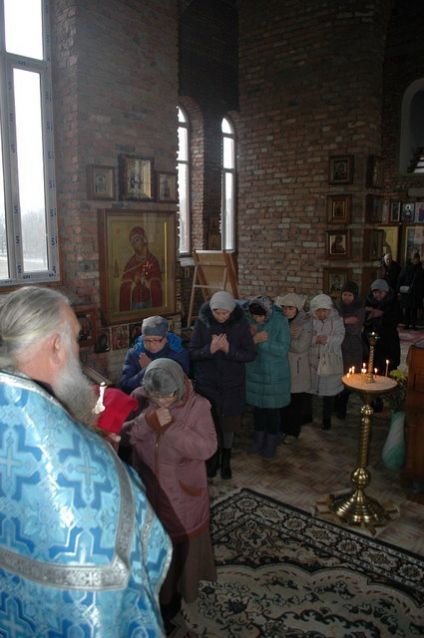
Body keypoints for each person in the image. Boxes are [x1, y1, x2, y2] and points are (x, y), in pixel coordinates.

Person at [0, 286, 171, 637]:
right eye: (77, 338)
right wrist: (101, 457)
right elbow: (143, 548)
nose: (80, 349)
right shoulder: (82, 467)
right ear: (56, 346)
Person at [121, 358, 217, 634]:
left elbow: (207, 447)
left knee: (179, 551)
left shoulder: (198, 406)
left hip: (183, 494)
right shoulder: (139, 398)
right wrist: (147, 422)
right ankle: (157, 597)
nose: (162, 402)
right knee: (151, 547)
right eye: (156, 397)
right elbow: (126, 436)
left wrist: (172, 429)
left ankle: (174, 604)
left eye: (167, 396)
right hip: (148, 489)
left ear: (179, 389)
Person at [189, 290, 256, 479]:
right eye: (217, 312)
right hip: (207, 384)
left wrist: (229, 350)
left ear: (231, 311)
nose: (220, 316)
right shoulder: (203, 323)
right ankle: (212, 460)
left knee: (228, 426)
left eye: (224, 313)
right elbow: (193, 353)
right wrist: (209, 350)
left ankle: (226, 460)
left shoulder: (241, 324)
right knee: (209, 425)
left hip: (232, 383)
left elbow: (250, 355)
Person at [245, 295, 291, 458]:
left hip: (274, 374)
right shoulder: (249, 320)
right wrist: (252, 339)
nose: (257, 319)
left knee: (272, 411)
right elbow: (243, 345)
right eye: (254, 316)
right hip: (255, 371)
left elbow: (283, 348)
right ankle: (258, 441)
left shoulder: (280, 321)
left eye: (260, 316)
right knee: (258, 410)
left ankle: (271, 442)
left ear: (268, 312)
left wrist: (262, 342)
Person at [120, 314, 189, 394]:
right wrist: (145, 371)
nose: (151, 344)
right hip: (141, 400)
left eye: (156, 340)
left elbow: (180, 385)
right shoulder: (135, 354)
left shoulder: (178, 353)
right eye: (147, 340)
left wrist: (152, 367)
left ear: (166, 338)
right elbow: (125, 386)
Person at [276, 292, 313, 439]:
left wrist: (282, 336)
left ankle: (293, 432)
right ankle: (283, 429)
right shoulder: (281, 321)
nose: (287, 311)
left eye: (290, 308)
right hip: (283, 367)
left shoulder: (305, 322)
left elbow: (300, 347)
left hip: (297, 369)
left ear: (297, 309)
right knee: (283, 402)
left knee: (296, 403)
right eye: (284, 308)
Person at [308, 294, 345, 430]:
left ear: (329, 310)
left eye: (325, 310)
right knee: (310, 389)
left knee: (329, 392)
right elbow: (305, 336)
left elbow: (340, 336)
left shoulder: (337, 320)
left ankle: (326, 418)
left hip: (330, 360)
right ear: (314, 310)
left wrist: (328, 339)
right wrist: (314, 339)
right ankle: (308, 416)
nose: (322, 314)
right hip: (313, 360)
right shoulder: (309, 320)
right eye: (318, 311)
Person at [334, 281, 365, 419]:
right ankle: (335, 404)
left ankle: (342, 408)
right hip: (338, 346)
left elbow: (354, 329)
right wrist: (345, 321)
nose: (346, 298)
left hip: (353, 348)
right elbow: (333, 325)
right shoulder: (337, 307)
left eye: (349, 295)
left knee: (348, 378)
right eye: (344, 294)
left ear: (355, 296)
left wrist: (340, 322)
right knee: (336, 376)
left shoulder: (359, 308)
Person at [119, 226, 162, 311]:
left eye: (137, 240)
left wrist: (146, 282)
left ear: (144, 240)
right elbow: (124, 285)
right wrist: (134, 282)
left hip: (149, 301)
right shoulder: (130, 263)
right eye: (133, 242)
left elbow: (158, 282)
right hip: (135, 303)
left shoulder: (152, 260)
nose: (135, 244)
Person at [364, 278, 401, 374]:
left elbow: (396, 319)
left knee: (387, 366)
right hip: (371, 339)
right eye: (375, 292)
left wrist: (383, 314)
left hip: (388, 340)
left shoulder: (393, 302)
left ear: (386, 292)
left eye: (380, 292)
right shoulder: (368, 302)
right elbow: (363, 320)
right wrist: (369, 315)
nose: (377, 295)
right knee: (371, 363)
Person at [397, 252, 424, 329]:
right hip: (408, 291)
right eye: (415, 259)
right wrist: (398, 290)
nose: (416, 260)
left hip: (416, 292)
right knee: (407, 309)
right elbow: (400, 278)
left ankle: (413, 324)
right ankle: (407, 324)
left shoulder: (420, 269)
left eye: (417, 259)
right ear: (412, 259)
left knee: (414, 309)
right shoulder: (407, 267)